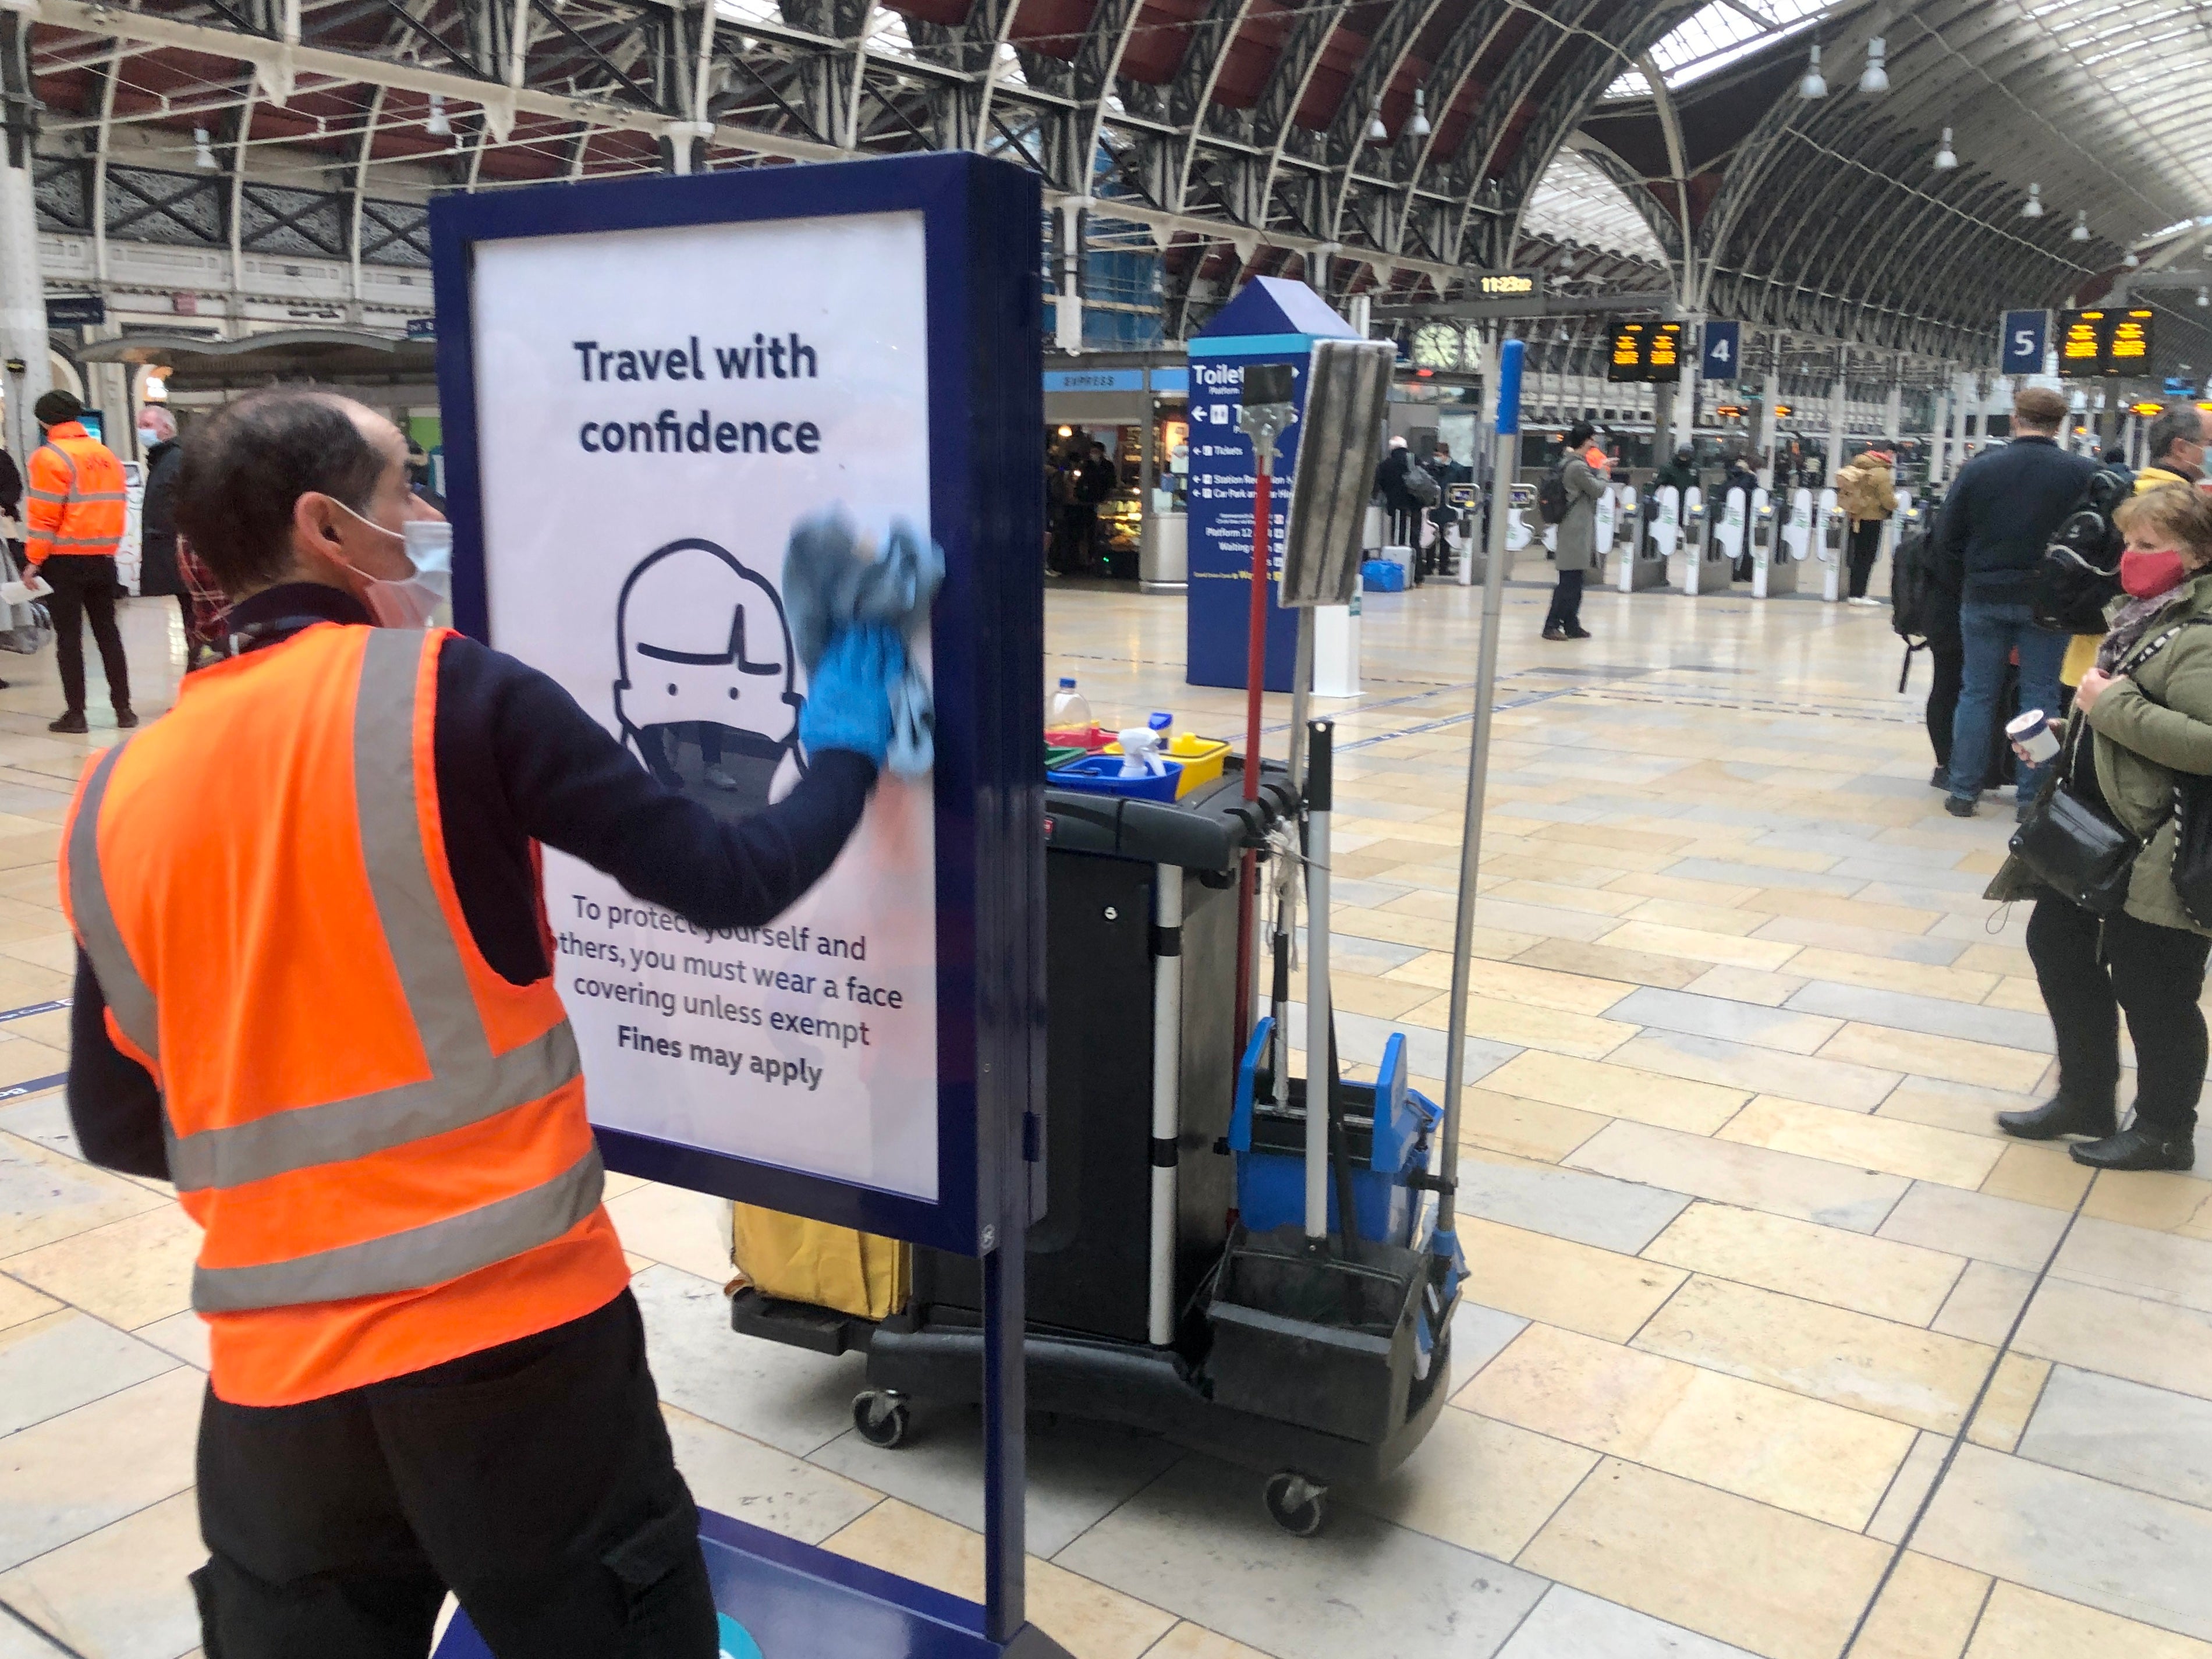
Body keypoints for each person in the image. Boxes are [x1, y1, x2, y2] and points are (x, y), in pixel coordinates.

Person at [60, 388, 906, 1657]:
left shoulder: (117, 791)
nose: (429, 520)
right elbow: (729, 880)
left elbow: (118, 1117)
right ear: (327, 529)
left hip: (277, 1395)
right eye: (406, 491)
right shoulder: (454, 698)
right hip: (516, 1349)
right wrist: (846, 737)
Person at [1998, 485, 2212, 1171]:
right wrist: (2072, 728)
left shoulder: (2202, 637)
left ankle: (2162, 1130)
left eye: (2149, 546)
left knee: (2153, 988)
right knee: (2057, 947)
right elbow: (2131, 716)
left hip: (2165, 848)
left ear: (2198, 556)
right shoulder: (2142, 620)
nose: (2130, 559)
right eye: (2128, 543)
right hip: (2098, 834)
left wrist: (2111, 706)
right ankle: (2084, 1097)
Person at [1933, 385, 2095, 818]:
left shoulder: (1980, 469)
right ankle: (2033, 798)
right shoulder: (2081, 473)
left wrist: (1966, 581)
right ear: (2060, 425)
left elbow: (1946, 539)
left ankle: (1963, 790)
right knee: (2040, 699)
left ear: (2014, 418)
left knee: (1977, 693)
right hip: (2048, 602)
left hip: (1984, 595)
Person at [26, 389, 132, 733]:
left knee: (69, 638)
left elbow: (45, 516)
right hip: (102, 559)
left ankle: (77, 714)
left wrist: (33, 560)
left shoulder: (49, 457)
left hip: (64, 560)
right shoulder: (105, 455)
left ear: (44, 420)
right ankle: (124, 709)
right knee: (108, 634)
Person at [136, 406, 192, 660]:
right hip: (171, 552)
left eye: (147, 425)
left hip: (179, 554)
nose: (141, 430)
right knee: (190, 618)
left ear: (166, 429)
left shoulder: (175, 460)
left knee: (195, 619)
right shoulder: (163, 460)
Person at [1544, 421, 1605, 641]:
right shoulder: (1577, 467)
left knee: (1575, 580)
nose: (1595, 442)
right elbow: (1597, 490)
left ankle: (1571, 623)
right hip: (1574, 530)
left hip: (1576, 528)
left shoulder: (1573, 463)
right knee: (1568, 581)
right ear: (1585, 440)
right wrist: (1605, 471)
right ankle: (1551, 625)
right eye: (1592, 438)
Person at [1837, 445, 1898, 605]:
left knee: (1857, 555)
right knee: (1867, 556)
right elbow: (1888, 501)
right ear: (1884, 453)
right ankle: (1859, 595)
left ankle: (1853, 593)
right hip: (1872, 519)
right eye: (1891, 453)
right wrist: (1897, 504)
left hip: (1855, 516)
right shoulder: (1881, 473)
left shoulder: (1857, 466)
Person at [1375, 434, 1422, 552]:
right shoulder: (1416, 460)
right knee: (1414, 535)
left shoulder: (1386, 464)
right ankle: (1417, 564)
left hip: (1395, 504)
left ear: (1391, 448)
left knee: (1398, 533)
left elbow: (1380, 484)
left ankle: (1398, 558)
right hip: (1415, 503)